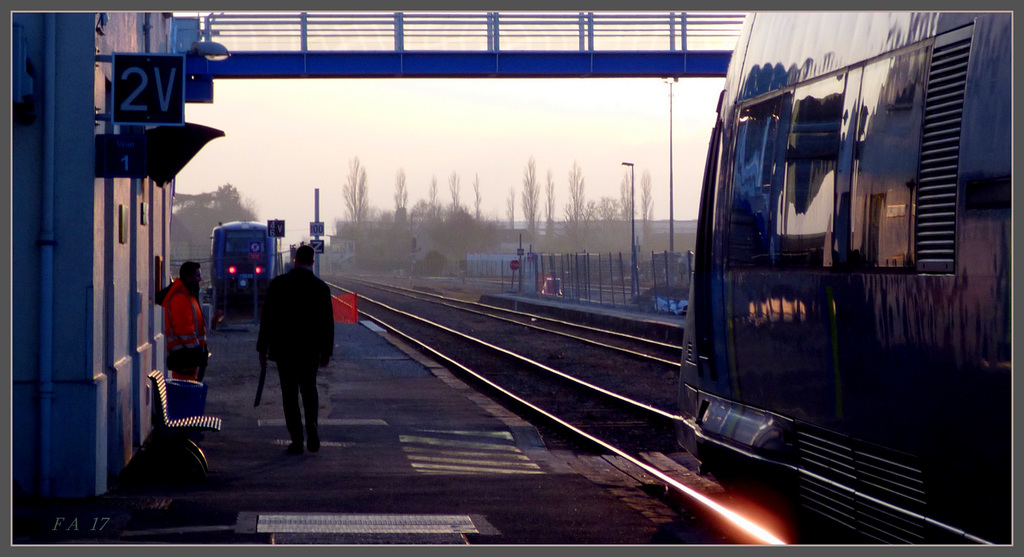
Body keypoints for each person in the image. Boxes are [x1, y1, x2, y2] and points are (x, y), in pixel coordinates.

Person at [257, 245, 334, 454]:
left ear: (294, 259)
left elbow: (268, 319)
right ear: (313, 262)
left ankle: (297, 439)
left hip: (284, 350)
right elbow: (328, 323)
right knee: (309, 389)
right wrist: (326, 352)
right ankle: (312, 425)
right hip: (310, 351)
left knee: (289, 394)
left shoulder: (279, 285)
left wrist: (261, 348)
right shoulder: (321, 288)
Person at [162, 261, 209, 381]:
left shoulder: (187, 296)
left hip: (187, 358)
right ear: (188, 277)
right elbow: (184, 331)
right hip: (183, 357)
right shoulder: (180, 298)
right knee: (185, 394)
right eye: (197, 276)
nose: (200, 279)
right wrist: (197, 351)